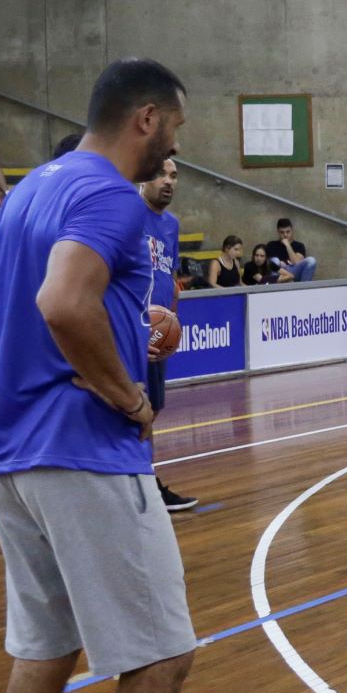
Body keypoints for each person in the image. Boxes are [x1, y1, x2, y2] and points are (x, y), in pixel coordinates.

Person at [0, 57, 254, 693]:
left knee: (40, 657)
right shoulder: (111, 196)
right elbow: (60, 302)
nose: (176, 143)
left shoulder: (32, 189)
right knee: (158, 657)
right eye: (177, 128)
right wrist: (126, 394)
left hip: (14, 460)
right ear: (148, 119)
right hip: (86, 456)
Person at [141, 158, 197, 513]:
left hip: (159, 332)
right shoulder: (126, 214)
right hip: (130, 331)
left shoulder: (171, 225)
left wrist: (172, 323)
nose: (168, 181)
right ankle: (143, 485)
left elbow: (170, 277)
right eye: (160, 173)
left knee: (154, 408)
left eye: (174, 176)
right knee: (135, 410)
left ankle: (143, 480)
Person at [266, 217, 317, 282]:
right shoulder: (271, 245)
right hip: (280, 272)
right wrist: (279, 263)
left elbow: (296, 262)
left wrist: (287, 245)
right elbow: (268, 264)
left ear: (292, 231)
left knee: (311, 260)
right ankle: (275, 289)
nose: (285, 235)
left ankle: (303, 289)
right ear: (278, 232)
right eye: (282, 232)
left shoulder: (299, 245)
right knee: (275, 260)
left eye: (288, 232)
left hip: (294, 272)